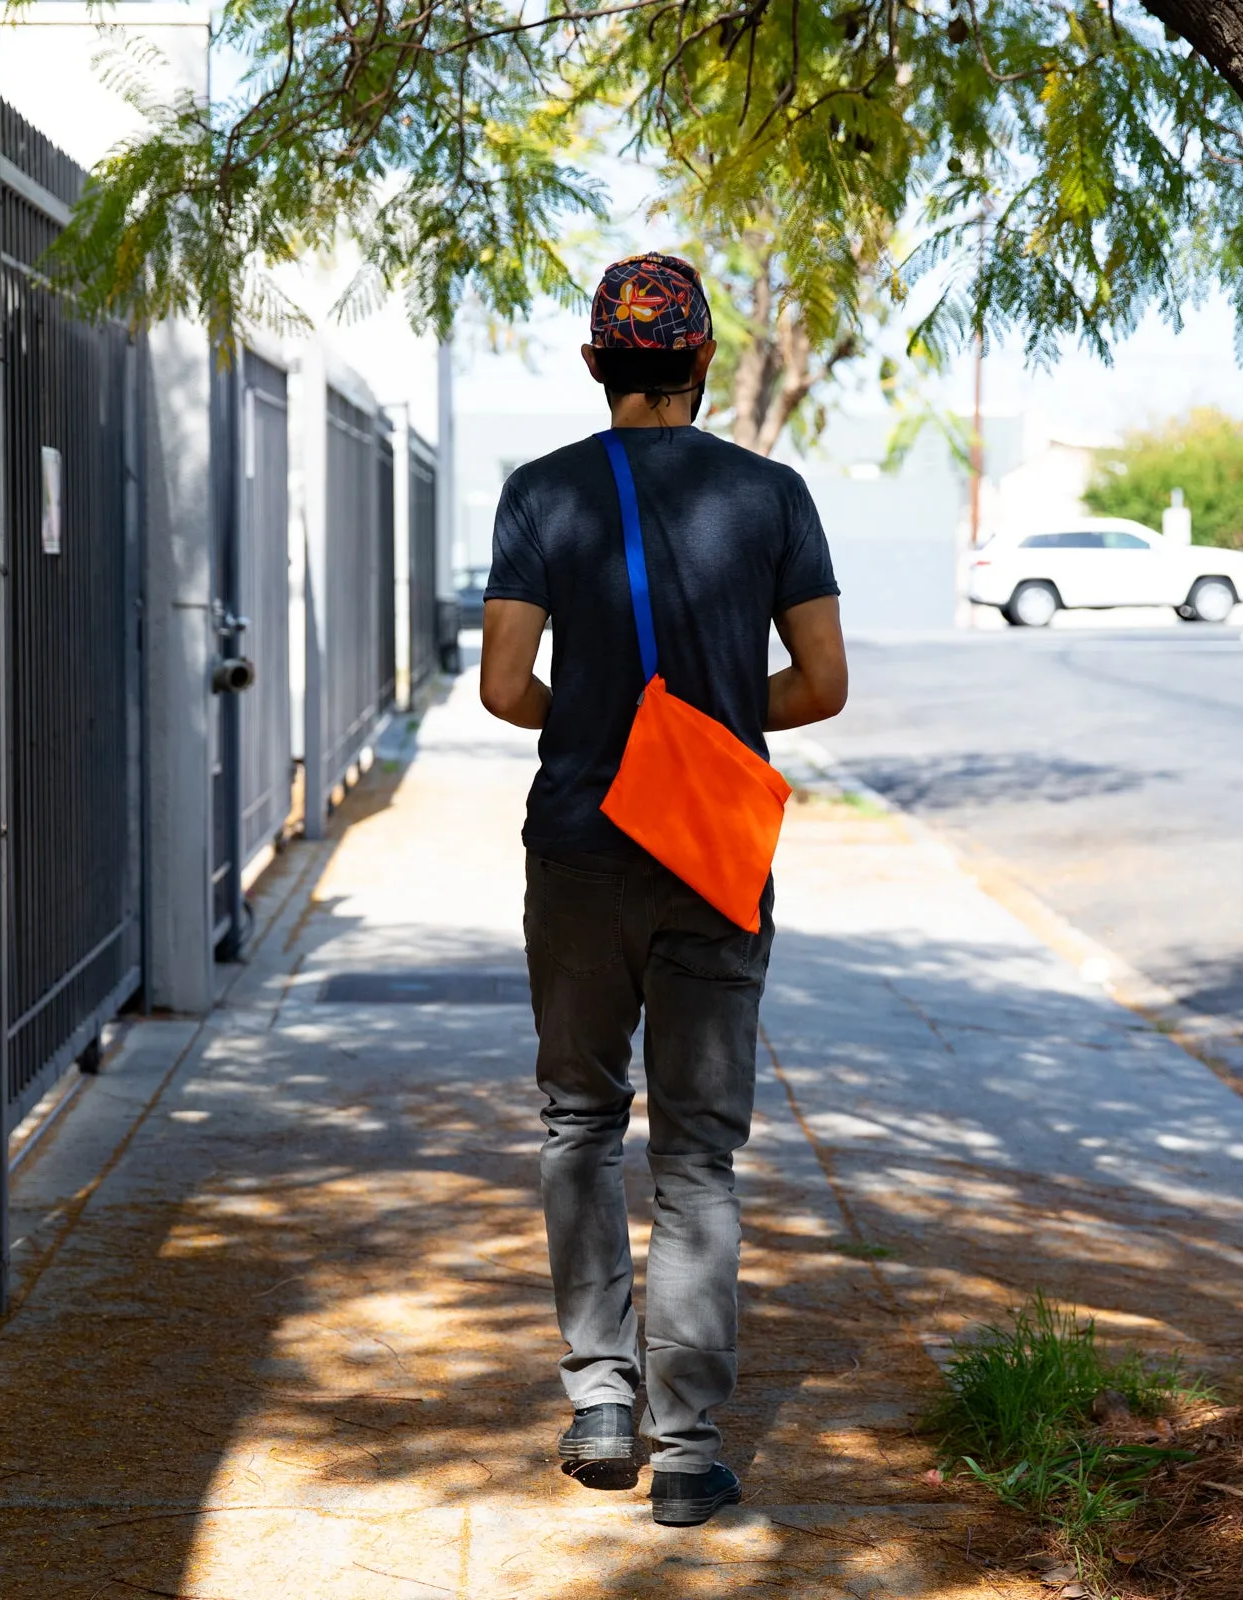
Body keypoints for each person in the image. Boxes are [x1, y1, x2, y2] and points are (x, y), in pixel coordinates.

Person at [477, 253, 850, 1527]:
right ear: (698, 361)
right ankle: (689, 1454)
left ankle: (599, 1400)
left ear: (599, 364)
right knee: (697, 1154)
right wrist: (707, 726)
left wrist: (592, 719)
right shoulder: (773, 495)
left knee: (578, 1121)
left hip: (577, 842)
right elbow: (823, 683)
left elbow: (501, 686)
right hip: (709, 848)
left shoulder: (540, 492)